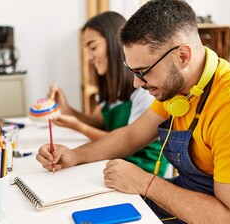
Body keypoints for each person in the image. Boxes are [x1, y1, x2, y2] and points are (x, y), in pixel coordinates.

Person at [37, 0, 230, 224]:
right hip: (197, 196)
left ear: (182, 56)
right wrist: (76, 155)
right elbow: (132, 135)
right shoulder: (179, 87)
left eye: (143, 72)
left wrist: (146, 183)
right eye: (133, 72)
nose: (136, 84)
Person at [48, 11, 169, 176]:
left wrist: (77, 127)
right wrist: (67, 110)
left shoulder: (146, 91)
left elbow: (128, 141)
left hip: (141, 170)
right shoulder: (112, 88)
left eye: (93, 47)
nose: (89, 58)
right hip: (116, 164)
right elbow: (97, 122)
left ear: (115, 44)